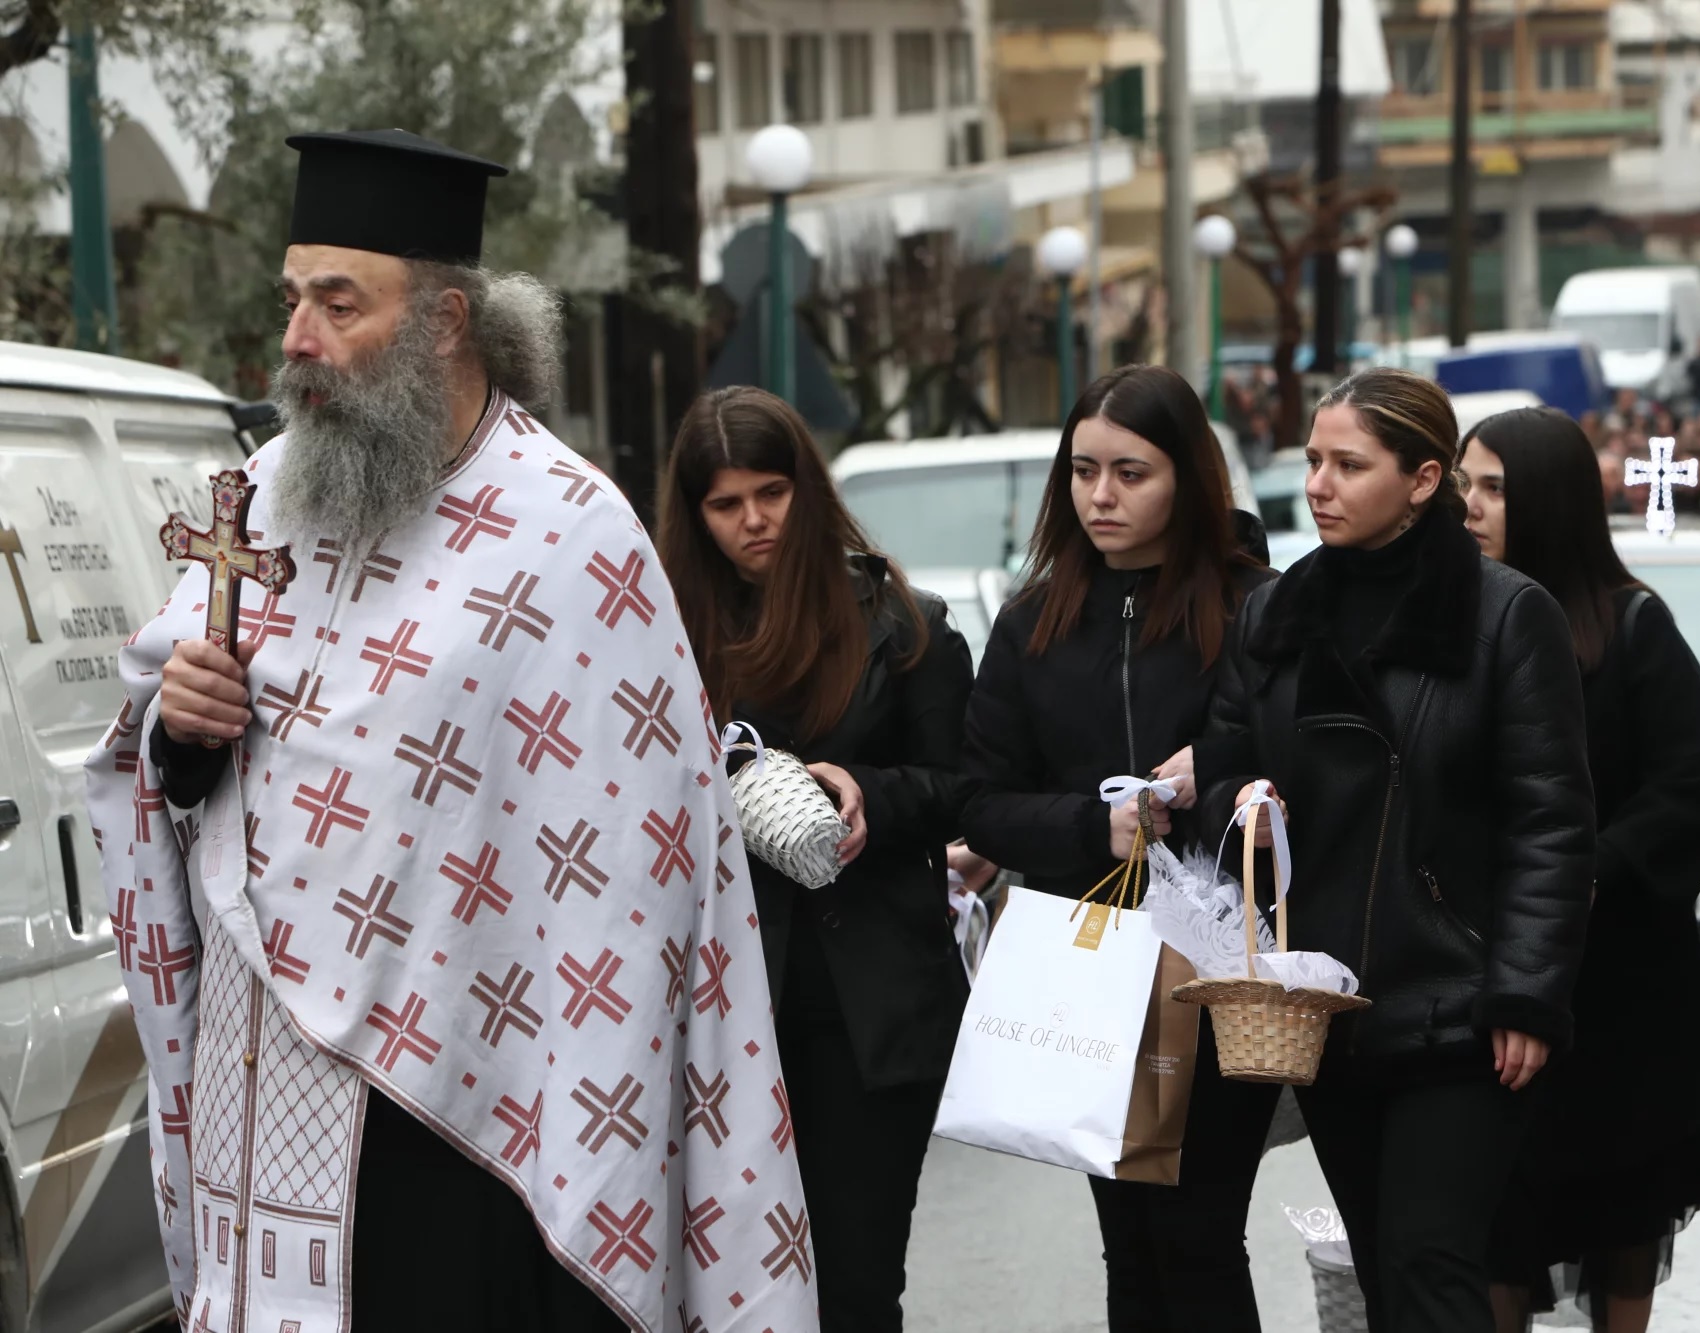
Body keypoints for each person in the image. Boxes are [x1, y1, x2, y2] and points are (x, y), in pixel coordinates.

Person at [84, 130, 813, 1332]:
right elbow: (173, 756)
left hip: (466, 1097)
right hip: (262, 1074)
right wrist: (184, 733)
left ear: (444, 322)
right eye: (291, 299)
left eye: (338, 304)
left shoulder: (568, 533)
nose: (296, 338)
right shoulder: (265, 496)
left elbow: (641, 869)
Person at [1199, 368, 1596, 1333]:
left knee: (1430, 1263)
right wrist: (1235, 802)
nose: (1318, 485)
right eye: (1312, 461)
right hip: (1325, 1006)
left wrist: (1525, 992)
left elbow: (1551, 820)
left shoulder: (1506, 615)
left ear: (1423, 481)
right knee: (1382, 1268)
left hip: (1459, 1004)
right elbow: (1222, 767)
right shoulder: (1277, 614)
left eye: (1348, 464)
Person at [960, 364, 1276, 1332]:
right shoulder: (1033, 621)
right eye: (1083, 470)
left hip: (1223, 967)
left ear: (1187, 475)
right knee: (1130, 1240)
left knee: (1199, 1232)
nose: (1100, 495)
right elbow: (981, 801)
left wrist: (1213, 770)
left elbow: (1303, 756)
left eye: (1130, 473)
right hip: (1089, 973)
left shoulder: (1254, 606)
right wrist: (1089, 825)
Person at [658, 386, 973, 1331]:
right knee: (727, 1288)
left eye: (772, 492)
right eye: (725, 503)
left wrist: (865, 791)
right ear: (695, 514)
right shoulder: (664, 632)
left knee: (855, 1280)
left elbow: (964, 789)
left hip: (866, 1009)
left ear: (807, 487)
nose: (754, 520)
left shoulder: (902, 623)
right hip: (716, 1003)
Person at [1461, 407, 1700, 1333]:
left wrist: (1583, 870)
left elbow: (1688, 789)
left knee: (1622, 1215)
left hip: (1623, 991)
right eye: (1462, 484)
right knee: (1496, 1225)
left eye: (1493, 487)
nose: (1469, 506)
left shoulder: (1634, 627)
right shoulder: (1460, 621)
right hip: (1494, 971)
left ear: (1549, 499)